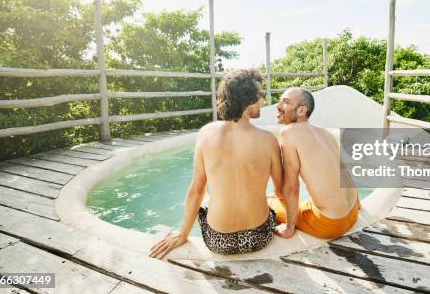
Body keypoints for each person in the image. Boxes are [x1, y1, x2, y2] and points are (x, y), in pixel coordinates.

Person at [149, 69, 283, 258]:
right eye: (259, 96)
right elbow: (281, 191)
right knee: (267, 200)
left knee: (204, 199)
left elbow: (195, 191)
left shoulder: (206, 134)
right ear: (247, 100)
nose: (262, 101)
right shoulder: (269, 140)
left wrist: (182, 234)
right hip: (260, 236)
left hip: (218, 241)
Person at [270, 87, 359, 240]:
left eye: (285, 102)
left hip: (330, 224)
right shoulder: (324, 132)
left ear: (301, 110)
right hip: (353, 212)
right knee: (282, 198)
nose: (278, 106)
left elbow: (291, 188)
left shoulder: (289, 132)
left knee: (267, 203)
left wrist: (289, 228)